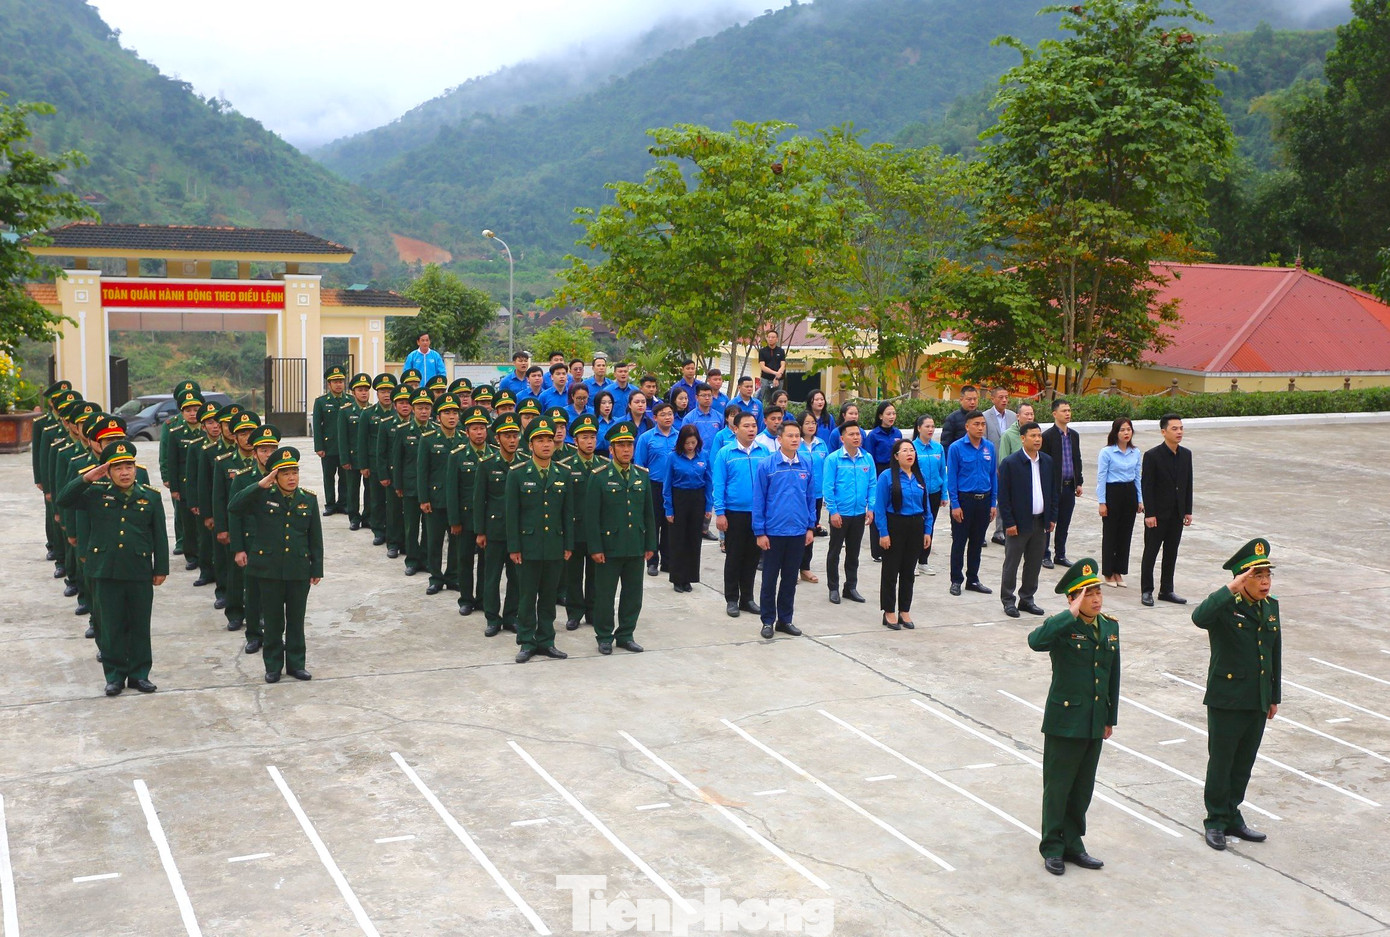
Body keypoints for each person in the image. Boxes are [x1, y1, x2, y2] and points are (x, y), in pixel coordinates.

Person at [57, 441, 169, 696]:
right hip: (104, 569)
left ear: (135, 469)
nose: (125, 473)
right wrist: (87, 478)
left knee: (140, 624)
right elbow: (64, 499)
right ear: (108, 472)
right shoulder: (95, 494)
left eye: (129, 466)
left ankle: (139, 675)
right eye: (118, 468)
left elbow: (159, 534)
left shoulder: (150, 496)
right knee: (110, 625)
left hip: (138, 569)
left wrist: (160, 567)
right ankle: (115, 675)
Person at [1028, 558, 1118, 876]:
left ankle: (1074, 843)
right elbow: (1036, 642)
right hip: (1065, 721)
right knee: (1058, 788)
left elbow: (1113, 676)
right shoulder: (1063, 626)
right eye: (1087, 594)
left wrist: (1109, 718)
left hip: (1094, 720)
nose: (1095, 599)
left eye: (1097, 592)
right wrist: (1070, 613)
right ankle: (1053, 846)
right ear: (1072, 598)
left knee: (1082, 788)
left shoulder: (1110, 627)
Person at [1194, 538, 1280, 851]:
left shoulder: (1270, 607)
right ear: (1242, 579)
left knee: (1244, 761)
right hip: (1227, 698)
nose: (1265, 582)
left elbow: (1274, 653)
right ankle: (1216, 820)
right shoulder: (1225, 607)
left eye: (1267, 575)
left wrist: (1273, 695)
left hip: (1257, 698)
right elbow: (1199, 617)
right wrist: (1230, 589)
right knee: (1222, 761)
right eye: (1257, 576)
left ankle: (1232, 814)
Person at [229, 446, 323, 684]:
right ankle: (273, 666)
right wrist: (261, 484)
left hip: (298, 569)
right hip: (268, 569)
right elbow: (234, 506)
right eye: (285, 473)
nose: (292, 478)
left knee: (296, 620)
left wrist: (316, 568)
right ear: (275, 476)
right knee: (273, 621)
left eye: (295, 472)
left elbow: (315, 538)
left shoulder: (308, 499)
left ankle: (296, 664)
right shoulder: (262, 497)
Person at [505, 417, 573, 663]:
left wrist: (568, 545)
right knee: (526, 597)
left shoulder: (563, 473)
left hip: (554, 545)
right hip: (528, 546)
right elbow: (512, 514)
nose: (546, 444)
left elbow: (567, 513)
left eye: (549, 440)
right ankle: (526, 641)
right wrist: (514, 546)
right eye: (540, 440)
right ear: (530, 445)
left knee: (548, 596)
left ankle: (546, 640)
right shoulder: (517, 473)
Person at [586, 420, 657, 654]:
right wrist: (595, 547)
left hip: (635, 544)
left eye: (629, 445)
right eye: (621, 445)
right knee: (605, 595)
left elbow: (648, 514)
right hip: (609, 547)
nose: (626, 450)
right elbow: (592, 517)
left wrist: (650, 544)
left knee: (633, 595)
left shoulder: (641, 476)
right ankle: (604, 636)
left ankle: (626, 634)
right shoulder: (599, 476)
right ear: (611, 449)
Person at [752, 419, 815, 640]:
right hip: (773, 532)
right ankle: (767, 620)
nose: (795, 439)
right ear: (779, 439)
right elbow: (758, 500)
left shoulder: (806, 464)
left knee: (790, 579)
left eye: (797, 436)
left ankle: (785, 620)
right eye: (790, 436)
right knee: (769, 579)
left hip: (797, 531)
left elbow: (810, 498)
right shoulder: (766, 465)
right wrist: (760, 532)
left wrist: (810, 527)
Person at [227, 423, 282, 655]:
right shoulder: (243, 478)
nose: (268, 455)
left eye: (273, 450)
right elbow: (235, 513)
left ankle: (273, 635)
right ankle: (253, 635)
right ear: (255, 452)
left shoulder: (285, 476)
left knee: (275, 594)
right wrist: (238, 548)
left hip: (276, 544)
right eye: (263, 450)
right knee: (252, 592)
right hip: (251, 542)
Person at [998, 421, 1058, 618]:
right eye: (1033, 436)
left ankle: (1027, 599)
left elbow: (1053, 491)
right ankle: (1008, 600)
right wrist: (1009, 522)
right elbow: (1004, 496)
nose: (1037, 439)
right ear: (1022, 438)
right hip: (1018, 523)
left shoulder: (1047, 461)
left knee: (1034, 563)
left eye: (1039, 435)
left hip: (1040, 522)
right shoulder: (1011, 463)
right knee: (1012, 563)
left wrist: (1052, 517)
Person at [712, 412, 768, 618]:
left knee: (752, 557)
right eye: (746, 426)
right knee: (734, 557)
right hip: (734, 513)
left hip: (758, 513)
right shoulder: (726, 453)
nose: (751, 429)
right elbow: (719, 484)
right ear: (735, 429)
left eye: (754, 425)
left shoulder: (764, 452)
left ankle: (747, 598)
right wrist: (720, 513)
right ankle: (732, 599)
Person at [474, 413, 524, 637]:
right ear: (497, 438)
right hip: (494, 530)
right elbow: (479, 500)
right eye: (507, 436)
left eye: (515, 436)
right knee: (491, 577)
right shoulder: (487, 465)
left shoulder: (524, 463)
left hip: (519, 532)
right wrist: (480, 531)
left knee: (516, 578)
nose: (512, 440)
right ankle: (492, 618)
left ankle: (511, 616)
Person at [876, 439, 932, 630]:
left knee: (908, 572)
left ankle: (904, 610)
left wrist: (927, 530)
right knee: (891, 571)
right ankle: (889, 611)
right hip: (895, 525)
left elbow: (927, 507)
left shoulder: (919, 476)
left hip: (916, 526)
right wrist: (883, 533)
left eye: (912, 450)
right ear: (896, 455)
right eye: (905, 451)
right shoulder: (886, 477)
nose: (910, 454)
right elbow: (879, 507)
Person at [1140, 414, 1193, 607]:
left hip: (1177, 514)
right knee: (1151, 553)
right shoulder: (1152, 456)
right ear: (1163, 432)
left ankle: (1166, 590)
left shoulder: (1186, 454)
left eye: (1181, 428)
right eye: (1174, 429)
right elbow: (1147, 486)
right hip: (1157, 515)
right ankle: (1147, 590)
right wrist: (1150, 514)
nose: (1179, 432)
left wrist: (1187, 510)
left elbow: (1188, 484)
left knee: (1171, 552)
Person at [445, 406, 493, 617]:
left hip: (488, 518)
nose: (479, 432)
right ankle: (466, 599)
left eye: (482, 428)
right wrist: (454, 520)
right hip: (465, 518)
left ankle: (482, 598)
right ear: (466, 432)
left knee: (486, 561)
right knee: (464, 559)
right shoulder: (457, 456)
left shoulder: (494, 454)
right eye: (474, 428)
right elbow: (452, 491)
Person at [561, 414, 606, 630]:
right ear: (575, 440)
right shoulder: (566, 467)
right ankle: (574, 612)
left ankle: (593, 611)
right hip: (575, 529)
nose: (589, 442)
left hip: (597, 531)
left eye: (592, 437)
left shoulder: (604, 466)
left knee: (596, 575)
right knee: (573, 574)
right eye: (584, 437)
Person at [822, 419, 874, 605]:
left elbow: (872, 484)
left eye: (858, 434)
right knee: (834, 552)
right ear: (842, 438)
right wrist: (833, 511)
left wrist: (871, 508)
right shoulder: (833, 459)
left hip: (859, 514)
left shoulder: (867, 458)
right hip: (840, 514)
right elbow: (828, 487)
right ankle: (833, 588)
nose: (856, 437)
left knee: (853, 553)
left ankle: (850, 587)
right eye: (851, 434)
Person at [946, 409, 996, 596]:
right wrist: (955, 504)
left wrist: (993, 503)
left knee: (977, 542)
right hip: (964, 500)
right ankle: (956, 580)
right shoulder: (956, 448)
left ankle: (973, 579)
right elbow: (952, 478)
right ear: (967, 427)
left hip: (984, 500)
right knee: (959, 542)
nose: (980, 428)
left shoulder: (989, 447)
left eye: (983, 424)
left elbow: (993, 475)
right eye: (976, 424)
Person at [417, 393, 463, 596]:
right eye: (447, 413)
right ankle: (435, 578)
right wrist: (423, 499)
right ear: (438, 417)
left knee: (456, 542)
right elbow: (422, 471)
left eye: (455, 412)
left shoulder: (464, 439)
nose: (451, 417)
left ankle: (452, 576)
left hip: (458, 501)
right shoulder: (428, 440)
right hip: (435, 499)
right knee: (434, 541)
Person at [663, 424, 711, 593]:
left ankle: (689, 577)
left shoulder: (704, 456)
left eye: (693, 442)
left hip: (697, 498)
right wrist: (669, 508)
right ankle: (677, 578)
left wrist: (708, 505)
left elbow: (708, 481)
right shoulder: (673, 457)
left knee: (693, 540)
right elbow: (667, 484)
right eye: (687, 443)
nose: (690, 446)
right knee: (678, 540)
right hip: (679, 497)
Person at [1096, 418, 1143, 588]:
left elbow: (1137, 477)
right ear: (1115, 432)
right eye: (1122, 430)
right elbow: (1101, 478)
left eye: (1128, 429)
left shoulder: (1135, 452)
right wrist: (1102, 502)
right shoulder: (1107, 452)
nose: (1126, 433)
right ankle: (1108, 572)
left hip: (1129, 492)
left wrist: (1140, 499)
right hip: (1112, 492)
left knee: (1125, 534)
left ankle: (1119, 571)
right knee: (1111, 534)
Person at [634, 400, 679, 576]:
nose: (668, 417)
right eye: (663, 415)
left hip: (674, 486)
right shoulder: (646, 438)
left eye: (670, 414)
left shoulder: (679, 436)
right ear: (655, 418)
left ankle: (668, 561)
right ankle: (652, 561)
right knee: (653, 524)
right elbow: (639, 465)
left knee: (671, 524)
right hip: (653, 485)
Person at [392, 390, 434, 576]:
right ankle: (412, 560)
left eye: (427, 408)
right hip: (410, 485)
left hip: (430, 487)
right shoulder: (403, 431)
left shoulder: (435, 430)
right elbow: (397, 460)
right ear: (413, 409)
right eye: (420, 408)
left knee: (429, 527)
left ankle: (426, 559)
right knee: (411, 525)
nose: (423, 412)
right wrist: (398, 485)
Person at [1040, 399, 1083, 569]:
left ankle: (1060, 554)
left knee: (1064, 523)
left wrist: (1079, 482)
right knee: (1049, 522)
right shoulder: (1047, 437)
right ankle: (1044, 555)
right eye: (1064, 411)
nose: (1067, 414)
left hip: (1069, 486)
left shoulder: (1074, 435)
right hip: (1053, 488)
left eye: (1069, 410)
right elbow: (1044, 463)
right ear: (1054, 414)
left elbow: (1077, 459)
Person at [375, 386, 414, 559]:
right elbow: (381, 453)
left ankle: (407, 543)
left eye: (408, 403)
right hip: (393, 475)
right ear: (395, 405)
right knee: (393, 511)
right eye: (401, 403)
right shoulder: (387, 424)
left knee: (410, 513)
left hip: (412, 476)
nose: (405, 406)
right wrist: (383, 475)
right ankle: (393, 543)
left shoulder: (418, 425)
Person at [359, 374, 399, 546]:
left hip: (395, 464)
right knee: (376, 500)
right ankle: (378, 530)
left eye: (389, 391)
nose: (386, 395)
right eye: (383, 391)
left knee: (394, 503)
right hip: (374, 464)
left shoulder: (399, 414)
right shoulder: (368, 414)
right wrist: (363, 465)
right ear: (377, 393)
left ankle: (392, 531)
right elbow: (362, 441)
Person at [864, 402, 903, 562]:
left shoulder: (898, 433)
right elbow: (869, 458)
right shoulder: (873, 435)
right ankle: (877, 550)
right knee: (878, 508)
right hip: (879, 471)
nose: (891, 417)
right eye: (888, 414)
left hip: (895, 471)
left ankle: (892, 544)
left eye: (894, 413)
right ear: (880, 416)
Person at [337, 373, 374, 531]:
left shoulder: (373, 410)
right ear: (353, 392)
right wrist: (344, 459)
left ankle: (367, 517)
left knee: (370, 489)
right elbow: (342, 437)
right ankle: (354, 517)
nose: (364, 393)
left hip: (369, 458)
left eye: (366, 389)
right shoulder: (345, 411)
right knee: (352, 489)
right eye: (360, 390)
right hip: (352, 457)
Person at [312, 365, 350, 516]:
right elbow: (317, 425)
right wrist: (319, 447)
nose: (338, 384)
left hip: (346, 447)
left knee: (345, 477)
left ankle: (343, 503)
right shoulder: (321, 402)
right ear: (329, 384)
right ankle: (330, 504)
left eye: (341, 381)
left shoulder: (350, 400)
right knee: (328, 477)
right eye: (335, 382)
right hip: (329, 446)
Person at [796, 410, 829, 581]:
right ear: (800, 425)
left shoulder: (821, 444)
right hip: (797, 494)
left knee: (811, 529)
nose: (811, 426)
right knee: (796, 530)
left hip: (816, 495)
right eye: (807, 423)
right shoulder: (795, 443)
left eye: (813, 423)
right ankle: (792, 568)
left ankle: (805, 567)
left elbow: (827, 469)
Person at [912, 415, 946, 576]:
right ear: (919, 428)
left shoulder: (938, 448)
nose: (931, 429)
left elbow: (943, 472)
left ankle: (923, 561)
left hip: (934, 493)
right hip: (917, 494)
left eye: (933, 426)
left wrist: (944, 494)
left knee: (929, 526)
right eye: (927, 426)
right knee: (916, 527)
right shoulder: (912, 448)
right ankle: (912, 561)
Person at [983, 388, 1017, 545]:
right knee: (988, 500)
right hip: (991, 465)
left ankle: (999, 532)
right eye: (1001, 397)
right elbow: (983, 444)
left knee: (1005, 499)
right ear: (992, 399)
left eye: (1006, 397)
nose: (1004, 400)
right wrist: (991, 466)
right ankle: (981, 533)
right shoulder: (985, 417)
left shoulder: (1012, 416)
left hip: (1009, 465)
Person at [939, 385, 980, 453]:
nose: (972, 402)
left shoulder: (981, 417)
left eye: (975, 399)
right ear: (961, 400)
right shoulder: (952, 418)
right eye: (969, 399)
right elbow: (946, 444)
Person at [757, 327, 787, 404]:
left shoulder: (781, 351)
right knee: (765, 400)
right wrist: (775, 373)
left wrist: (777, 376)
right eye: (769, 337)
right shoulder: (762, 351)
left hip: (779, 380)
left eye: (773, 337)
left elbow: (783, 365)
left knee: (778, 399)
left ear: (777, 339)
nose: (770, 339)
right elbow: (762, 366)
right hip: (766, 379)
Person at [593, 391, 617, 457]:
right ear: (597, 405)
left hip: (614, 455)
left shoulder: (617, 422)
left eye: (610, 403)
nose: (607, 406)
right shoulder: (593, 422)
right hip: (596, 455)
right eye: (603, 403)